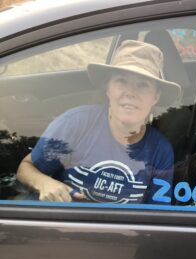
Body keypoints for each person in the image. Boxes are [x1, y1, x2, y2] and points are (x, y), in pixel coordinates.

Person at [16, 40, 181, 204]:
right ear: (108, 88)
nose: (130, 92)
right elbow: (26, 168)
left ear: (156, 97)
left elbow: (155, 217)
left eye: (143, 85)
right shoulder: (75, 124)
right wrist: (44, 183)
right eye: (121, 81)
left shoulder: (161, 151)